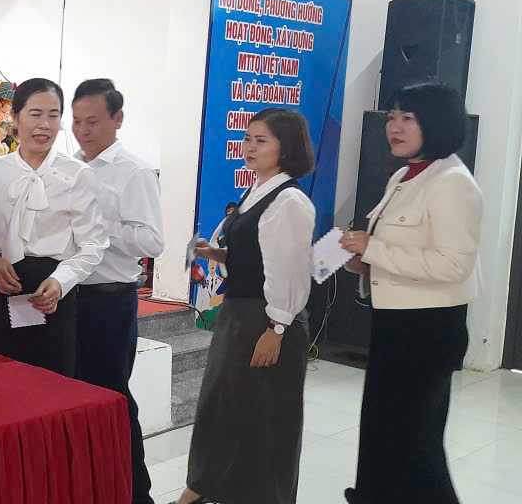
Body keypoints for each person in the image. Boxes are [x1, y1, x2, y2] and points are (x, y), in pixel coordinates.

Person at [338, 83, 482, 504]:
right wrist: (364, 262)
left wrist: (374, 249)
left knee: (415, 442)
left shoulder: (453, 182)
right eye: (392, 117)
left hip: (428, 329)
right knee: (382, 430)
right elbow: (407, 251)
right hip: (395, 322)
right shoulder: (404, 175)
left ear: (437, 122)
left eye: (408, 118)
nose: (394, 127)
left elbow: (453, 265)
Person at [177, 108, 315, 504]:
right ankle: (207, 487)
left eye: (261, 140)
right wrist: (217, 254)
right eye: (247, 138)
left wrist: (277, 329)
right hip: (240, 315)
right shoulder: (257, 189)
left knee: (265, 421)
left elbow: (290, 271)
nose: (249, 147)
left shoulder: (289, 200)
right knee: (224, 408)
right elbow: (259, 255)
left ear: (286, 148)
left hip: (267, 320)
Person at [0, 78, 109, 377]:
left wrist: (60, 281)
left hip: (51, 296)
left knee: (49, 386)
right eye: (35, 114)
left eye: (53, 115)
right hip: (1, 289)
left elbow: (93, 245)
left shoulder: (78, 174)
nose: (44, 124)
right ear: (15, 119)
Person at [71, 79, 163, 504]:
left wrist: (101, 227)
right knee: (73, 399)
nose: (82, 131)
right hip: (67, 298)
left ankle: (136, 493)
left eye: (92, 122)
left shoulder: (134, 172)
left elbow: (153, 242)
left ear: (118, 119)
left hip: (109, 302)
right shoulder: (68, 165)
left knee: (112, 398)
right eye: (76, 122)